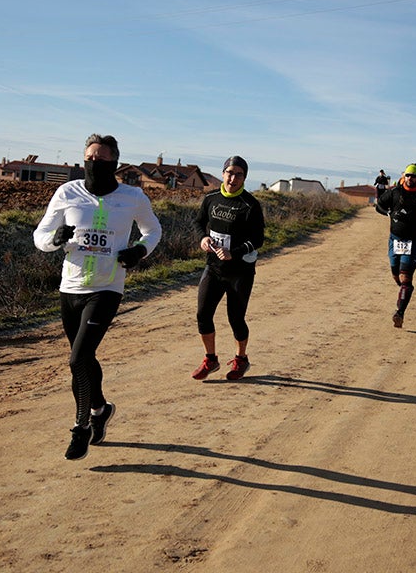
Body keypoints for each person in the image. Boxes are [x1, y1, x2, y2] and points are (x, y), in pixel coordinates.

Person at [33, 134, 162, 460]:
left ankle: (82, 427)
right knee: (84, 359)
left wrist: (139, 251)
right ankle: (100, 409)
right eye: (90, 158)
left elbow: (153, 230)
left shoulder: (132, 196)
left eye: (102, 160)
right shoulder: (67, 192)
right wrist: (54, 239)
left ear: (114, 164)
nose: (95, 164)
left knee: (77, 359)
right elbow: (40, 235)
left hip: (107, 287)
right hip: (71, 287)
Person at [191, 156, 265, 381]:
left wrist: (236, 252)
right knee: (203, 315)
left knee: (236, 318)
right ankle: (210, 359)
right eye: (230, 173)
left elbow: (258, 239)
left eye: (239, 174)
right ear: (223, 173)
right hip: (213, 268)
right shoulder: (211, 198)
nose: (233, 178)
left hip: (240, 272)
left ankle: (241, 359)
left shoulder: (250, 205)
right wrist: (203, 238)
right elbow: (198, 223)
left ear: (245, 177)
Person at [375, 163, 416, 329]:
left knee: (406, 277)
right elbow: (379, 206)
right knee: (395, 274)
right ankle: (404, 293)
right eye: (408, 175)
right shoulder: (394, 192)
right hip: (395, 239)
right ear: (404, 176)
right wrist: (388, 213)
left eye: (413, 176)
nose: (410, 178)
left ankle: (400, 313)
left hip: (414, 241)